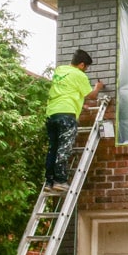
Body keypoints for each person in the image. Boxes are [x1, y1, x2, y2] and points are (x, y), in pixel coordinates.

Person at [44, 49, 104, 194]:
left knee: (53, 148)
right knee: (64, 147)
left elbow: (66, 91)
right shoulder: (79, 75)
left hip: (52, 113)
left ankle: (49, 181)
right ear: (82, 65)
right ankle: (60, 181)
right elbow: (91, 95)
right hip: (66, 114)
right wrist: (97, 88)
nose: (86, 70)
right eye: (86, 67)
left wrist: (79, 103)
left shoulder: (60, 70)